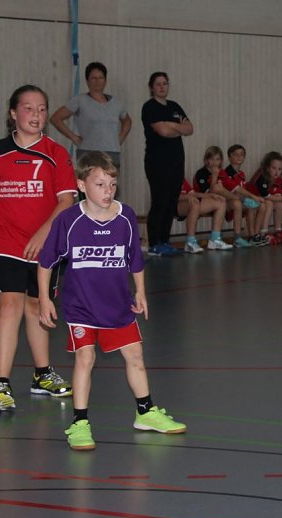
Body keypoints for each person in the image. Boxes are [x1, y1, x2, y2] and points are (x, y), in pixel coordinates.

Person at [38, 152, 186, 450]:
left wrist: (141, 291)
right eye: (100, 184)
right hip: (81, 306)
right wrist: (44, 299)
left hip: (118, 304)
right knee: (85, 358)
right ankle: (80, 422)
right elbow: (46, 262)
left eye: (112, 184)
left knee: (135, 356)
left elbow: (134, 259)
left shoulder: (125, 217)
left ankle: (146, 413)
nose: (107, 191)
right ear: (81, 184)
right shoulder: (68, 221)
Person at [0, 85, 76, 411]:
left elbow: (67, 200)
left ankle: (42, 374)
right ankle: (0, 383)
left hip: (45, 246)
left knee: (36, 308)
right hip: (5, 243)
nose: (37, 115)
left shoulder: (56, 152)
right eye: (29, 108)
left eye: (42, 109)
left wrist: (44, 234)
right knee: (9, 306)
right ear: (13, 113)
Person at [141, 71, 193, 256]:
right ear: (151, 87)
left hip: (176, 161)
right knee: (160, 200)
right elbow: (162, 131)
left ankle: (165, 240)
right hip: (157, 162)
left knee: (172, 202)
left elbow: (189, 128)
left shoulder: (174, 106)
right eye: (158, 84)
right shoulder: (149, 107)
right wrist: (174, 127)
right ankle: (154, 242)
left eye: (165, 83)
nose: (162, 87)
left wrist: (173, 126)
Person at [49, 61, 132, 168]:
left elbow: (127, 120)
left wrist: (120, 138)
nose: (97, 81)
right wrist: (74, 137)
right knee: (89, 183)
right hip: (89, 153)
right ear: (87, 81)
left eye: (101, 78)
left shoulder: (116, 103)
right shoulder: (80, 100)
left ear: (105, 80)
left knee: (110, 183)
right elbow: (55, 118)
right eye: (94, 78)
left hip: (112, 153)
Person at [218, 144, 268, 247]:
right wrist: (252, 197)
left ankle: (254, 234)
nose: (239, 157)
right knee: (248, 205)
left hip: (239, 200)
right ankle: (244, 236)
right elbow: (235, 190)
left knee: (262, 205)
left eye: (241, 154)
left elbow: (242, 191)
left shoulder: (241, 174)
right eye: (235, 154)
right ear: (229, 157)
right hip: (228, 201)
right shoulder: (226, 172)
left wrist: (252, 199)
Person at [191, 146, 234, 251]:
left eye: (217, 159)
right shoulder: (201, 173)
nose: (215, 162)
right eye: (212, 159)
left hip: (215, 201)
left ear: (221, 161)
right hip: (199, 202)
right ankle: (213, 239)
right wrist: (214, 176)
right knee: (219, 195)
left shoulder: (222, 172)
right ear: (206, 160)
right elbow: (209, 193)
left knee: (223, 201)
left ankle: (215, 239)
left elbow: (232, 187)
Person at [178, 176, 231, 253]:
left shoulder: (180, 177)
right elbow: (169, 197)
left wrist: (209, 195)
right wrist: (188, 197)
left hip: (189, 201)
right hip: (174, 205)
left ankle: (214, 239)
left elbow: (193, 193)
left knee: (220, 202)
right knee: (194, 203)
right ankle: (190, 242)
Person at [247, 151, 282, 245]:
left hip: (260, 198)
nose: (277, 171)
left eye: (279, 169)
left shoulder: (277, 177)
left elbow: (276, 194)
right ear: (267, 168)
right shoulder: (262, 176)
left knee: (278, 204)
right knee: (269, 203)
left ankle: (278, 230)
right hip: (250, 196)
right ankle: (263, 232)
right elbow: (266, 196)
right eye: (274, 168)